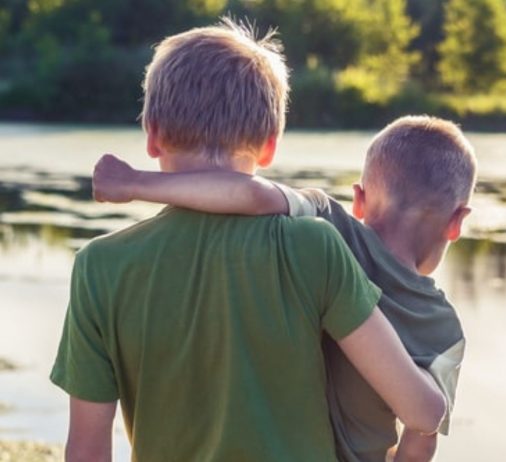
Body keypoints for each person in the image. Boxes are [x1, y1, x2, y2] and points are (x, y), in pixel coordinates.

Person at [51, 20, 445, 462]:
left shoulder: (98, 266)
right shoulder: (314, 247)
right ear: (270, 146)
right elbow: (423, 412)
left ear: (153, 135)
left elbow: (86, 451)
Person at [92, 115, 476, 462]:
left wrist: (136, 183)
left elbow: (251, 194)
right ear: (457, 222)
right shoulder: (444, 330)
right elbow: (421, 442)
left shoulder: (332, 224)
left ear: (359, 200)